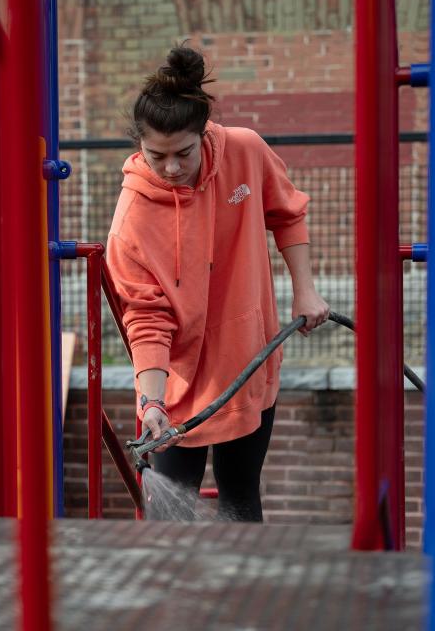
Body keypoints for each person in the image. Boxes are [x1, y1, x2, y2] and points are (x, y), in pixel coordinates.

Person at [106, 45, 329, 522]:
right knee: (171, 520)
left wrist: (304, 290)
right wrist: (151, 401)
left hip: (248, 362)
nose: (170, 168)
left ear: (204, 133)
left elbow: (287, 214)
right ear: (138, 147)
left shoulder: (245, 150)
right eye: (156, 155)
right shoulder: (132, 219)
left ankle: (245, 594)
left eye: (183, 152)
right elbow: (145, 317)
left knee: (242, 498)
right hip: (177, 387)